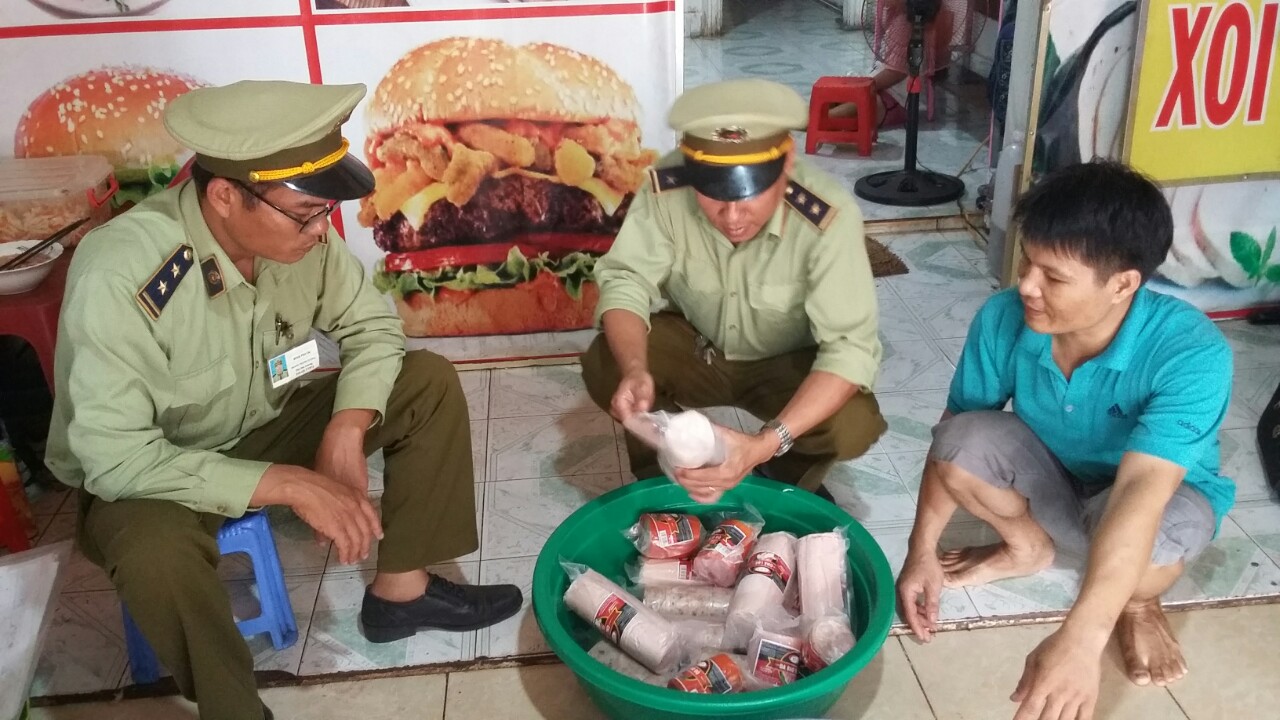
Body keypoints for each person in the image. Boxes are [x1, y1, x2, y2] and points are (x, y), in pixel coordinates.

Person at [45, 80, 521, 720]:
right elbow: (115, 458)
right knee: (155, 555)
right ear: (224, 196)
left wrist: (345, 429)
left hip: (260, 424)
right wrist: (293, 484)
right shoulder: (121, 270)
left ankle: (401, 595)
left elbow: (372, 328)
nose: (323, 232)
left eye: (326, 212)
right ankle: (234, 708)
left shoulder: (298, 237)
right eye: (307, 213)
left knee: (425, 381)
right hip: (155, 473)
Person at [896, 160, 1234, 720]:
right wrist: (920, 553)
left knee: (1144, 561)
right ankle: (1027, 547)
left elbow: (1141, 493)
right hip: (1056, 476)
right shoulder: (1004, 317)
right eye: (1027, 262)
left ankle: (1139, 603)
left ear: (1123, 284)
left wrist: (1080, 639)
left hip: (1156, 497)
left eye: (1053, 278)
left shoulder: (1191, 352)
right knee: (961, 438)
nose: (1027, 287)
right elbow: (951, 434)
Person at [580, 78, 888, 503]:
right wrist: (635, 368)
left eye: (750, 193)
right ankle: (665, 479)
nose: (732, 216)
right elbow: (625, 279)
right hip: (699, 346)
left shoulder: (828, 216)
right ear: (690, 168)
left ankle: (780, 480)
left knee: (852, 424)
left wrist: (766, 442)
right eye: (714, 194)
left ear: (786, 163)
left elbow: (850, 349)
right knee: (606, 364)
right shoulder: (667, 186)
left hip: (787, 362)